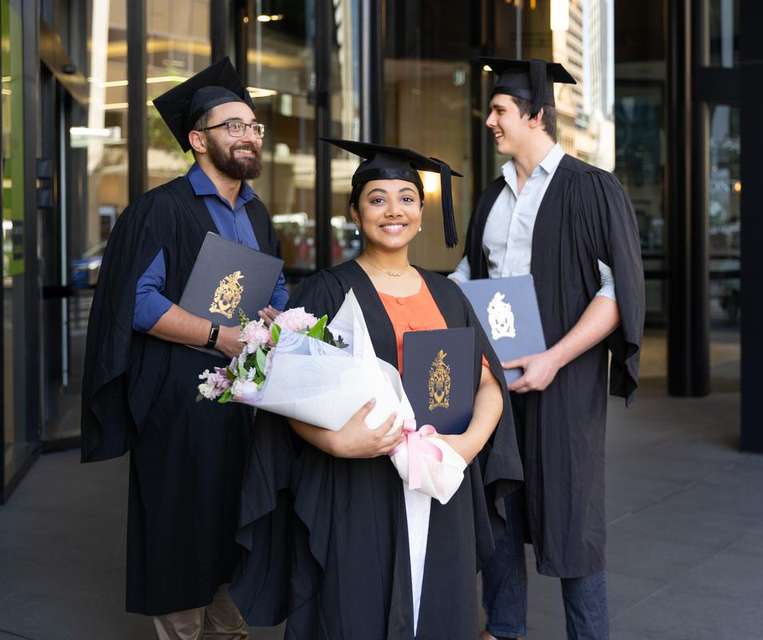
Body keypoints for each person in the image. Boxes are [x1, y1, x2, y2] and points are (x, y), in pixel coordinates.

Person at [229, 140, 523, 639]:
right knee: (354, 610)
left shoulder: (449, 293)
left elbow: (489, 385)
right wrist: (336, 442)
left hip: (438, 483)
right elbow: (288, 395)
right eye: (378, 198)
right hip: (356, 488)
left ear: (423, 211)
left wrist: (466, 447)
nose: (394, 211)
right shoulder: (325, 291)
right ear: (355, 212)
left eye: (407, 198)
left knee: (438, 611)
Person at [80, 58, 288, 639]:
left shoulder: (256, 212)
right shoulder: (161, 209)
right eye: (233, 126)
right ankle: (182, 631)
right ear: (198, 140)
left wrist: (276, 315)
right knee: (179, 521)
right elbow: (138, 302)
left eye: (254, 127)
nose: (248, 136)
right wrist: (219, 336)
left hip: (242, 401)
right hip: (176, 397)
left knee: (234, 516)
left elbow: (273, 286)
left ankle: (229, 627)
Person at [449, 58, 645, 640]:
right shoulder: (492, 198)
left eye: (500, 110)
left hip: (564, 383)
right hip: (497, 384)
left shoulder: (591, 189)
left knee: (571, 514)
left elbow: (616, 292)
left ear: (535, 115)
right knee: (501, 504)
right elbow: (466, 279)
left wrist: (554, 357)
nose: (489, 121)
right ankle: (503, 629)